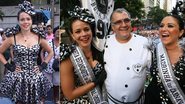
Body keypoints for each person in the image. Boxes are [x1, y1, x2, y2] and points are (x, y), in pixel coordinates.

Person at [0, 1, 53, 104]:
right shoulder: (12, 38)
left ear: (31, 20)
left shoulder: (39, 37)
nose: (25, 22)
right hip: (18, 77)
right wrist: (9, 66)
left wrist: (43, 65)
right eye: (22, 19)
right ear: (18, 21)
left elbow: (50, 52)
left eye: (28, 19)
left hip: (35, 77)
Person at [103, 8, 151, 104]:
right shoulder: (104, 42)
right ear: (112, 27)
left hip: (139, 101)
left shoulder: (143, 42)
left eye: (126, 20)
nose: (124, 25)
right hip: (112, 101)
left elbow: (153, 68)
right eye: (118, 22)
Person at [60, 6, 107, 104]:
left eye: (86, 29)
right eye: (78, 31)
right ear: (72, 35)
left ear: (92, 31)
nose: (84, 34)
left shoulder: (99, 51)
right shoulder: (68, 57)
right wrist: (95, 82)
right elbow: (69, 95)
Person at [144, 2, 185, 104]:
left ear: (181, 32)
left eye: (170, 26)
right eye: (161, 26)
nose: (164, 29)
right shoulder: (153, 51)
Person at [41, 26, 60, 103]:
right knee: (45, 84)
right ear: (54, 33)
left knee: (56, 84)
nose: (59, 33)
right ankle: (42, 99)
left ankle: (56, 98)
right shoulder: (48, 42)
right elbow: (42, 52)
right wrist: (43, 61)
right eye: (57, 32)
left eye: (60, 32)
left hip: (58, 68)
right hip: (47, 67)